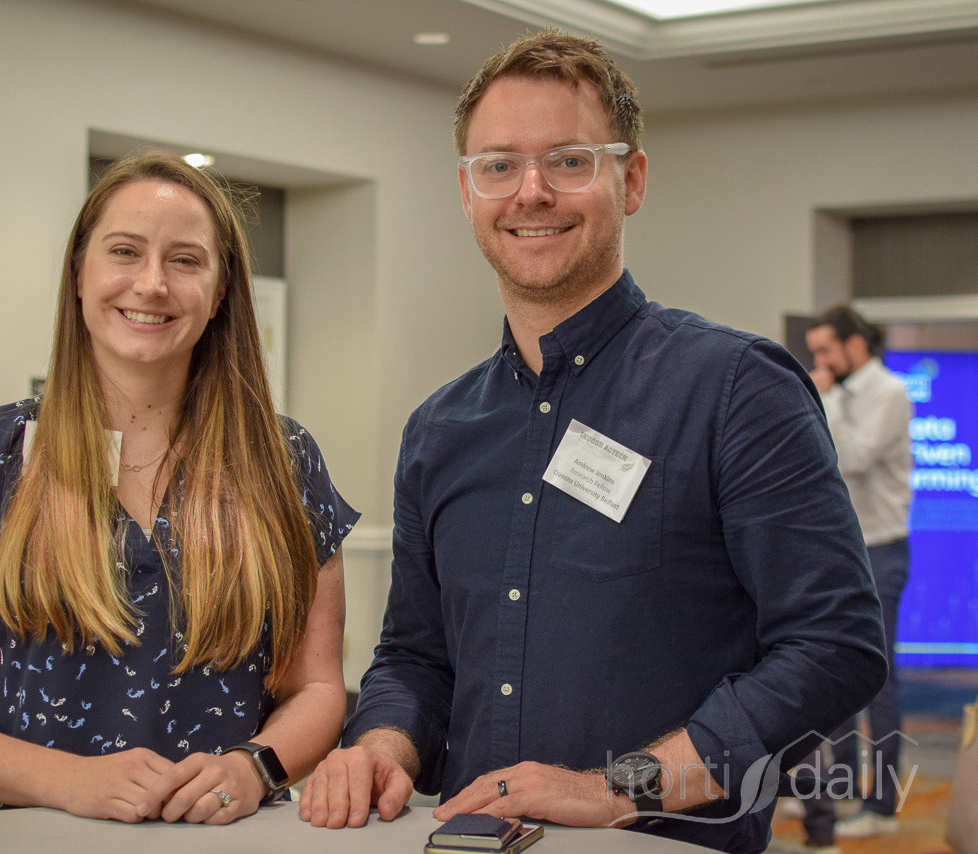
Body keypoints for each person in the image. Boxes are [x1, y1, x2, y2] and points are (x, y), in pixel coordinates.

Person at [298, 29, 887, 854]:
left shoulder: (735, 389)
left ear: (631, 179)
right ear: (467, 191)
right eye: (499, 165)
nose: (531, 191)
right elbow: (415, 658)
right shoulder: (438, 429)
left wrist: (618, 790)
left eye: (569, 161)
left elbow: (834, 647)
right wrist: (383, 746)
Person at [0, 151, 358, 824]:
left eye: (185, 261)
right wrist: (68, 781)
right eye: (125, 252)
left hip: (216, 835)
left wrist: (253, 768)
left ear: (220, 291)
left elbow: (316, 688)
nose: (152, 284)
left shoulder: (283, 461)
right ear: (79, 272)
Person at [806, 306, 913, 839]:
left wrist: (822, 398)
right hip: (844, 550)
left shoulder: (888, 392)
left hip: (882, 551)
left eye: (826, 350)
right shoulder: (842, 393)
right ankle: (844, 791)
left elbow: (855, 458)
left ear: (855, 345)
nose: (820, 362)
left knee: (880, 681)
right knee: (838, 674)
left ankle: (882, 807)